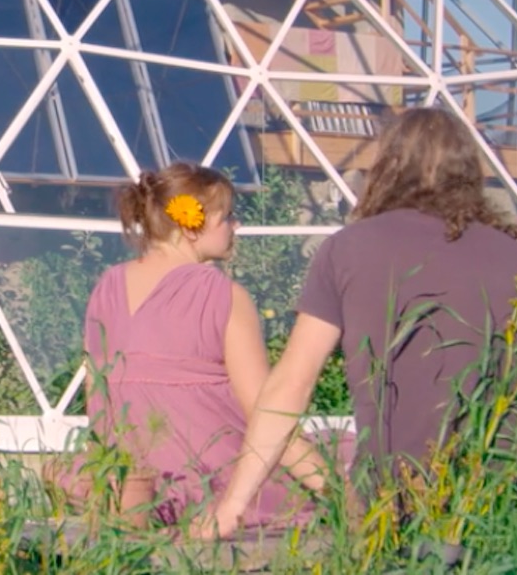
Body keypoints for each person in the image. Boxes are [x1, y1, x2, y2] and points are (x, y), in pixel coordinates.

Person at [198, 108, 517, 539]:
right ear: (469, 171)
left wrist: (233, 505)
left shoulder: (348, 250)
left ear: (386, 168)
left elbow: (291, 384)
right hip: (507, 499)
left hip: (395, 499)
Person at [68, 162, 337, 532]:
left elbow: (97, 400)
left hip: (136, 488)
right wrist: (338, 493)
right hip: (212, 481)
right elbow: (269, 415)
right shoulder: (222, 295)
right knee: (348, 450)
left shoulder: (107, 287)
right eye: (226, 217)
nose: (236, 225)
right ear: (190, 225)